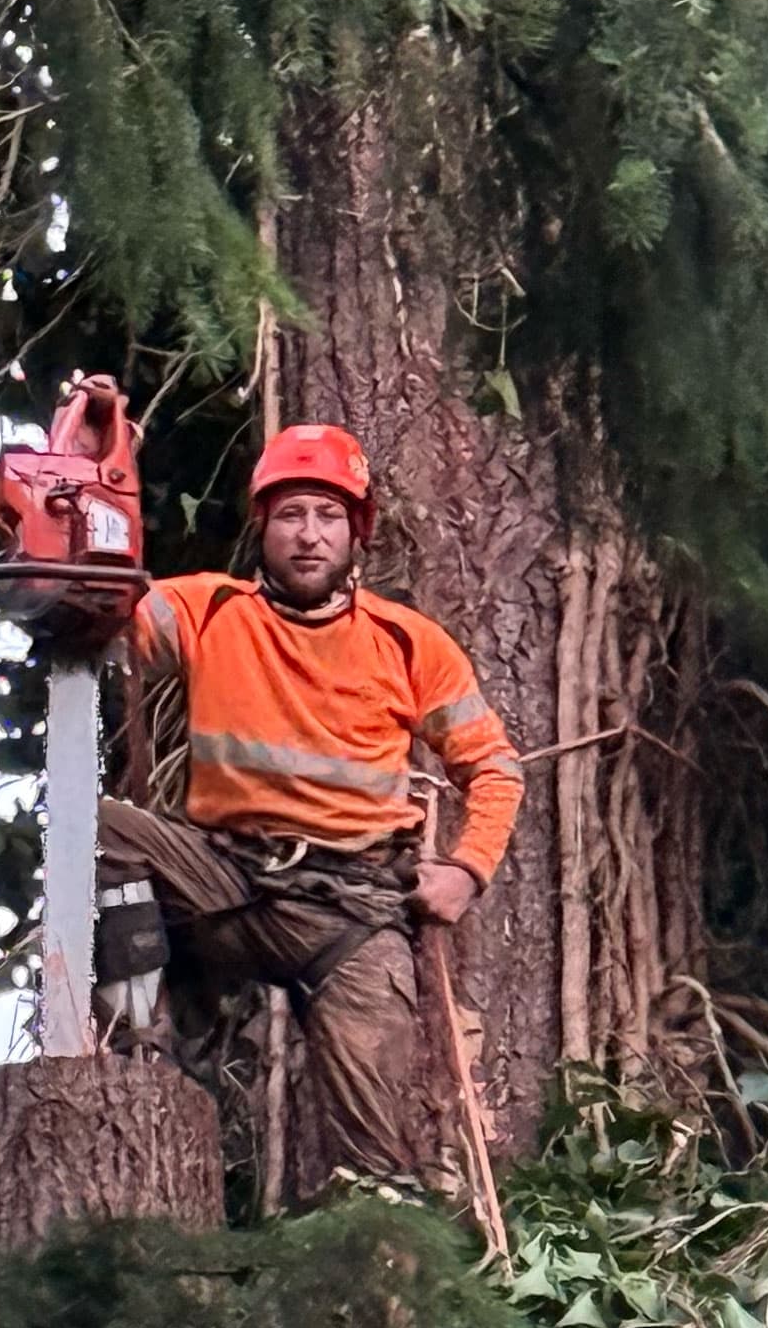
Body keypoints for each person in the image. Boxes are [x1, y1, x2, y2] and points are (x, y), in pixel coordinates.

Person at [94, 422, 522, 1189]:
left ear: (356, 534)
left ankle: (380, 1260)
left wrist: (468, 871)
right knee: (99, 832)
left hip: (352, 914)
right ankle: (136, 1059)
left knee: (379, 1168)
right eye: (291, 514)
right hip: (224, 879)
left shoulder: (407, 642)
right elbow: (109, 615)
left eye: (329, 517)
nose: (309, 535)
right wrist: (95, 502)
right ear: (263, 525)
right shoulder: (209, 610)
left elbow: (493, 767)